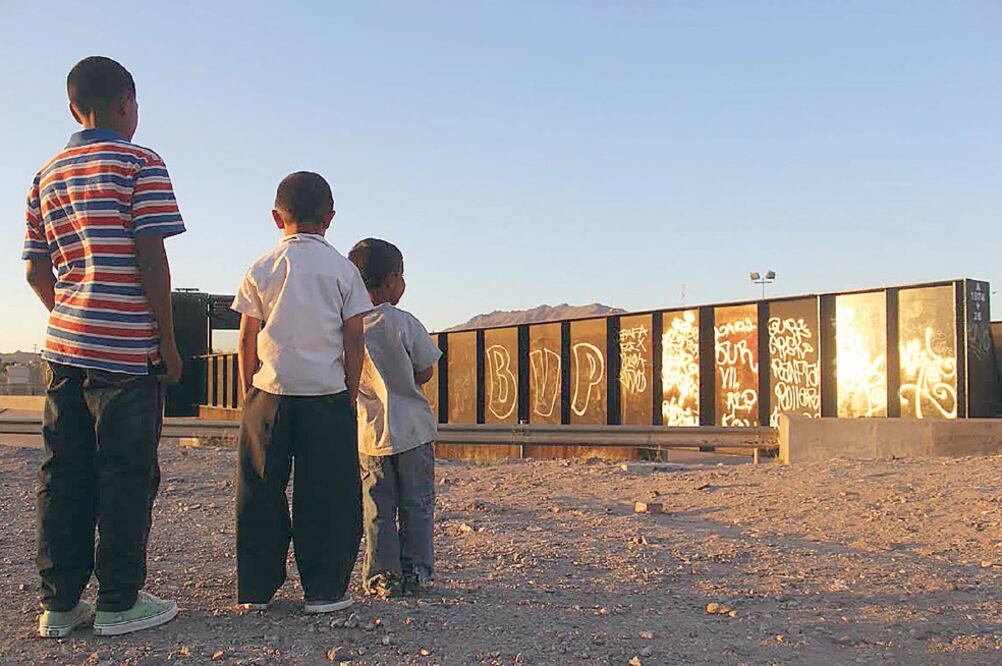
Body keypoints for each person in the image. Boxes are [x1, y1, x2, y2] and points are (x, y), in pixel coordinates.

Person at [23, 56, 185, 637]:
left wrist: (72, 314)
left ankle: (59, 605)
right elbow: (151, 257)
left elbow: (36, 272)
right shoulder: (140, 162)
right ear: (126, 104)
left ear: (73, 108)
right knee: (127, 473)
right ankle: (119, 600)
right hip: (127, 354)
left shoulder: (45, 174)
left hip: (64, 348)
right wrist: (166, 340)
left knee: (62, 473)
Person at [232, 172, 371, 613]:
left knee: (259, 488)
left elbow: (246, 338)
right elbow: (354, 337)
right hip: (326, 394)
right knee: (326, 491)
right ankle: (325, 590)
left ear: (277, 217)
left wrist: (247, 391)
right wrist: (349, 390)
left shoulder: (262, 267)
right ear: (330, 217)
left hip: (269, 392)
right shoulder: (344, 271)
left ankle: (256, 588)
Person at [348, 238, 441, 598]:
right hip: (412, 432)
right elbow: (426, 370)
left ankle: (380, 575)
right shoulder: (403, 322)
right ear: (390, 280)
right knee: (416, 502)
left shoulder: (351, 327)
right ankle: (415, 570)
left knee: (377, 505)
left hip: (371, 435)